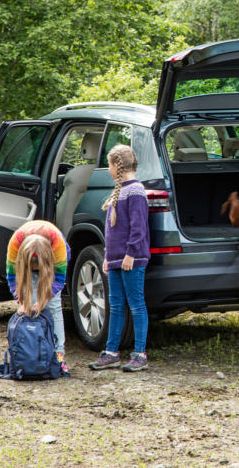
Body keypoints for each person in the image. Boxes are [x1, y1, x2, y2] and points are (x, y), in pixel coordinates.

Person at [88, 144, 151, 373]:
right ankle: (112, 352)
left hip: (130, 259)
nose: (108, 169)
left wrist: (131, 254)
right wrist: (108, 256)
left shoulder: (135, 191)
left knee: (136, 304)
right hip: (115, 259)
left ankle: (140, 354)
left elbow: (138, 227)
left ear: (117, 165)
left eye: (109, 164)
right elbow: (112, 232)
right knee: (115, 305)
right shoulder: (119, 191)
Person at [6, 220, 69, 373]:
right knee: (30, 303)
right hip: (25, 258)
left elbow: (59, 280)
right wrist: (22, 302)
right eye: (33, 268)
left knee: (53, 307)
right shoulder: (15, 245)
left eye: (38, 268)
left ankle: (59, 356)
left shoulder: (58, 246)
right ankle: (32, 354)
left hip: (52, 261)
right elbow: (12, 278)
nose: (36, 272)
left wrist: (42, 302)